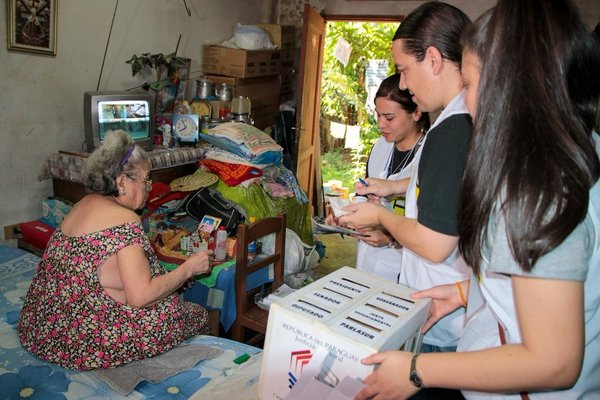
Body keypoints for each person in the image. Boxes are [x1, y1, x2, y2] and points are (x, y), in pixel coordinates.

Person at [354, 0, 600, 398]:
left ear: (511, 86)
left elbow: (554, 362)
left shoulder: (536, 188)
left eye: (469, 85)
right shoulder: (576, 152)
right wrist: (469, 291)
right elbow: (551, 276)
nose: (466, 103)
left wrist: (416, 370)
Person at [339, 1, 472, 356]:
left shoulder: (450, 131)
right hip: (452, 302)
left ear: (432, 59)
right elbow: (445, 187)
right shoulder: (463, 120)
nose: (403, 82)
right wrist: (394, 186)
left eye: (403, 69)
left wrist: (381, 216)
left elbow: (434, 243)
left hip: (441, 319)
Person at [18, 130, 213, 371]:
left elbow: (97, 270)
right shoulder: (125, 220)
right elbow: (139, 297)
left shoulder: (81, 204)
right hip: (84, 340)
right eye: (146, 181)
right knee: (195, 315)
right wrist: (188, 269)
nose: (149, 189)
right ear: (122, 183)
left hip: (46, 329)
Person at [327, 73, 429, 282]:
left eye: (389, 117)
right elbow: (364, 193)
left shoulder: (431, 156)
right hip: (367, 262)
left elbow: (434, 234)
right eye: (378, 115)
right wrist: (346, 217)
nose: (381, 124)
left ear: (416, 112)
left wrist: (390, 238)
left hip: (404, 270)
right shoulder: (380, 147)